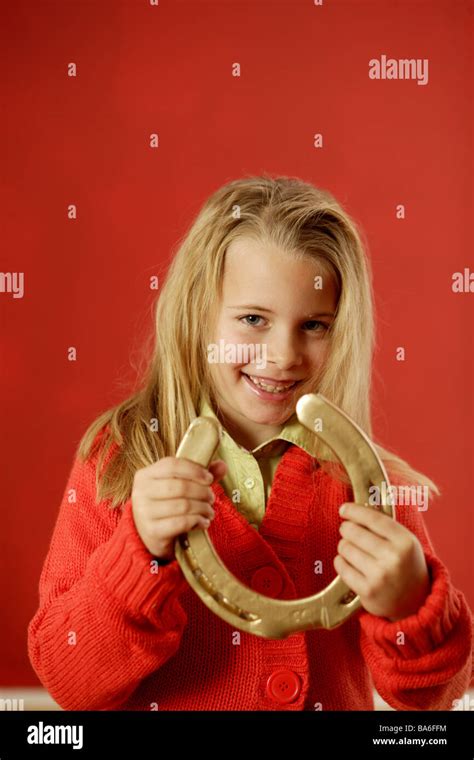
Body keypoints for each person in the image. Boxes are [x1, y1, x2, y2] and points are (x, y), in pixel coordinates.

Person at [27, 175, 473, 711]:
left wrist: (410, 607)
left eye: (314, 325)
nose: (283, 355)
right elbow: (68, 681)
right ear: (198, 316)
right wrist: (138, 552)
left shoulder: (369, 485)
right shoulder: (122, 458)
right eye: (253, 319)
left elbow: (436, 699)